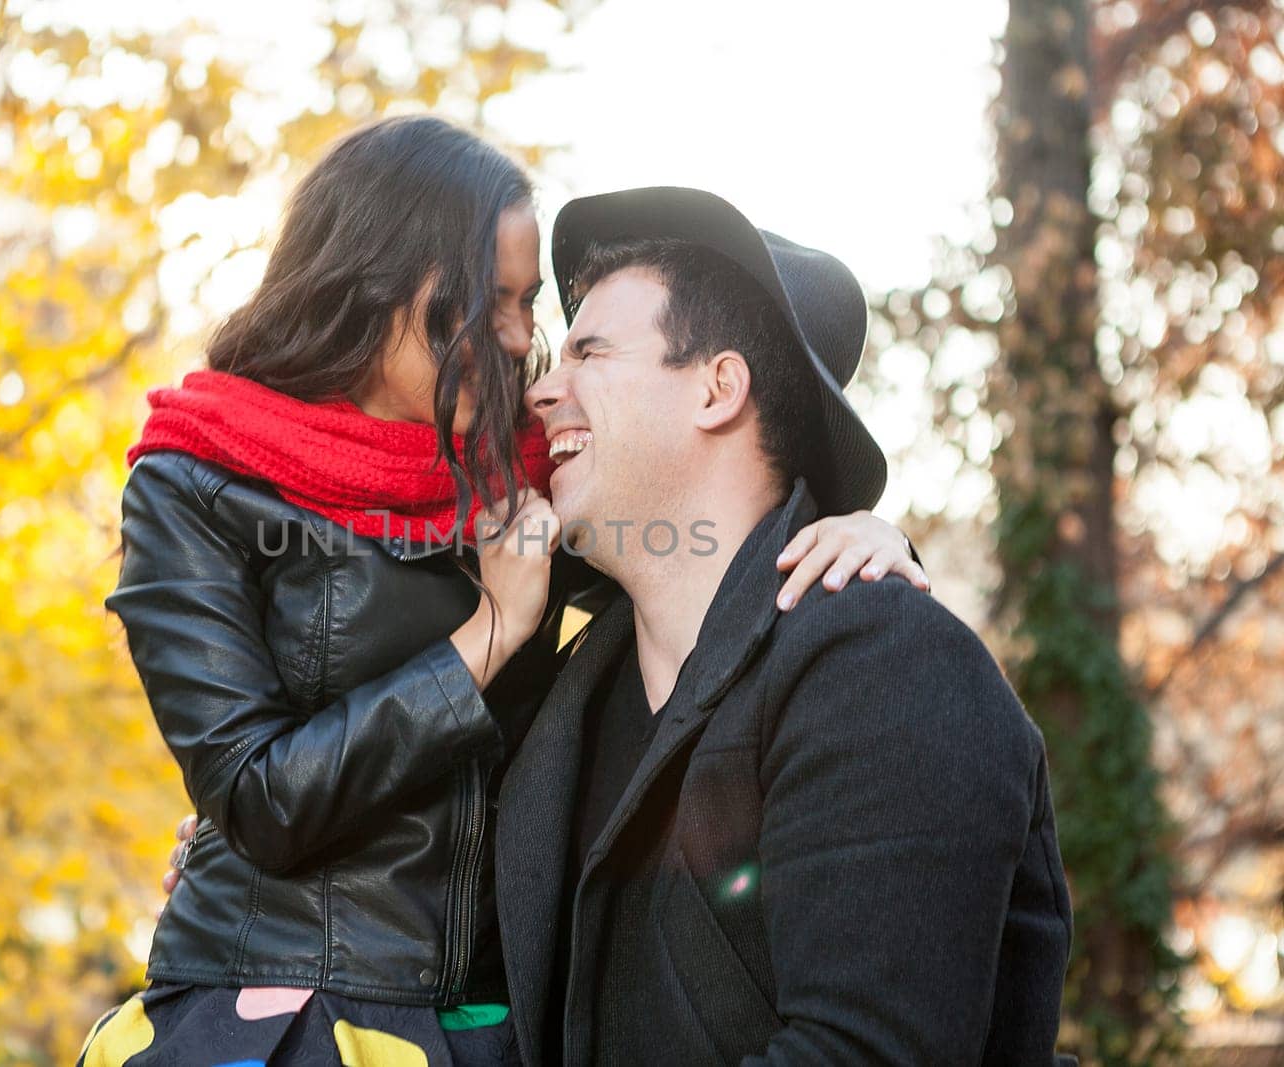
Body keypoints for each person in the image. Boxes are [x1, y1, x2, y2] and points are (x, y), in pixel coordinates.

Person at [82, 121, 925, 1067]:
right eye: (496, 303)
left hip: (492, 1020)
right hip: (282, 1012)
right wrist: (490, 635)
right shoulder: (195, 482)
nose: (524, 339)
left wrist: (868, 533)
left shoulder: (529, 482)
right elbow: (260, 797)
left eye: (529, 305)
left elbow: (709, 554)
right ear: (386, 280)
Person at [493, 187, 1073, 1066]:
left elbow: (865, 1052)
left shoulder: (886, 666)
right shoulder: (564, 692)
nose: (543, 390)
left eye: (590, 351)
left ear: (718, 388)